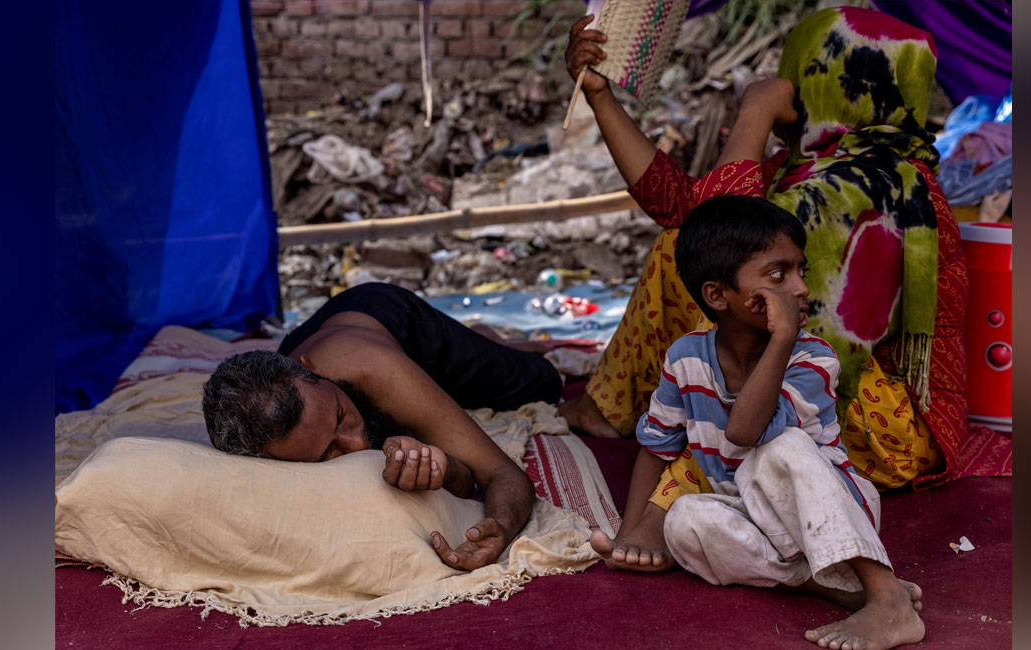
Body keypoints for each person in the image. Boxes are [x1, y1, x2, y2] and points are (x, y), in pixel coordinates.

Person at [559, 6, 975, 494]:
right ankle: (613, 409)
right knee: (683, 242)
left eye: (797, 74)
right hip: (835, 388)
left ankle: (708, 438)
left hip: (890, 429)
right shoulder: (807, 167)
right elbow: (680, 208)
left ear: (829, 83)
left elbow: (720, 233)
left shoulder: (875, 186)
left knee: (699, 259)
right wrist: (601, 98)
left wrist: (755, 113)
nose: (788, 88)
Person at [603, 195, 926, 650]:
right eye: (778, 274)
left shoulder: (813, 357)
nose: (799, 289)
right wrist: (630, 533)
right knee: (685, 521)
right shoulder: (685, 358)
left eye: (800, 270)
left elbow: (744, 432)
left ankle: (884, 593)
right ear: (718, 295)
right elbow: (657, 446)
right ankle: (823, 584)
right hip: (746, 512)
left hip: (827, 511)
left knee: (781, 448)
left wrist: (784, 338)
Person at [202, 282, 563, 571]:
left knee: (544, 383)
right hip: (318, 333)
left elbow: (501, 473)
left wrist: (500, 527)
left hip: (392, 316)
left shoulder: (375, 370)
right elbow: (458, 474)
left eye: (342, 415)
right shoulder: (274, 428)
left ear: (310, 369)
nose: (357, 443)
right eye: (329, 451)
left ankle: (487, 339)